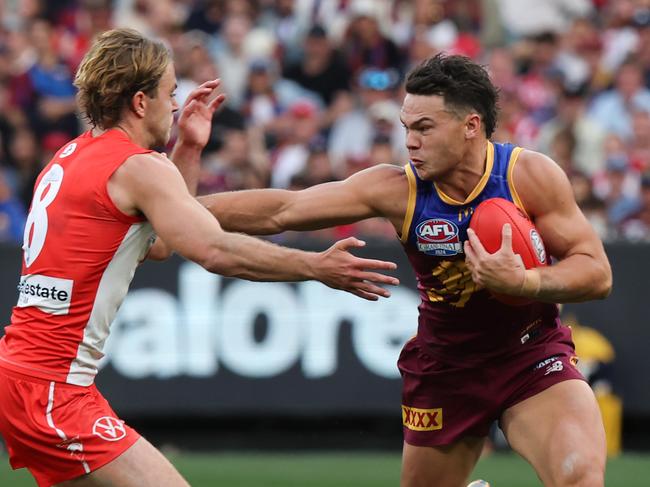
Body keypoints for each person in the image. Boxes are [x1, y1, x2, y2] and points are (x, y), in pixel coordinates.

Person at [0, 28, 400, 487]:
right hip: (54, 390)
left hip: (24, 376)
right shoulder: (136, 167)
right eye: (170, 92)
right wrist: (313, 266)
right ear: (139, 101)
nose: (175, 103)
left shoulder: (69, 156)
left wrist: (187, 147)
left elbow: (161, 242)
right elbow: (212, 249)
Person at [201, 53, 613, 487]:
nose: (410, 143)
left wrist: (525, 281)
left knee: (580, 478)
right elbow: (284, 210)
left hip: (530, 355)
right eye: (406, 128)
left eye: (424, 128)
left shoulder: (527, 175)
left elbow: (597, 273)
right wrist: (174, 209)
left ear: (471, 126)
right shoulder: (397, 189)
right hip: (446, 368)